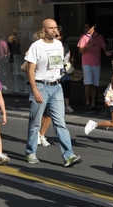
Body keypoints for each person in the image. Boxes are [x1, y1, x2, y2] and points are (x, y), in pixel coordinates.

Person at [24, 18, 82, 167]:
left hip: (56, 87)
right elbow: (30, 70)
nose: (54, 30)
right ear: (44, 30)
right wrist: (35, 90)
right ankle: (30, 152)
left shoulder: (59, 45)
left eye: (55, 27)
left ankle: (68, 155)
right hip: (41, 86)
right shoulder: (36, 46)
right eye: (51, 28)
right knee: (35, 123)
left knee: (60, 123)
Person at [77, 21, 112, 111]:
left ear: (94, 27)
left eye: (88, 27)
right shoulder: (83, 37)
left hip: (96, 63)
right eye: (85, 27)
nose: (86, 29)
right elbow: (80, 50)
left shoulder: (99, 37)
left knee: (95, 84)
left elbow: (104, 47)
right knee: (88, 83)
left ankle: (93, 103)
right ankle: (87, 102)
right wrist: (87, 47)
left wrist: (106, 52)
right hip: (86, 63)